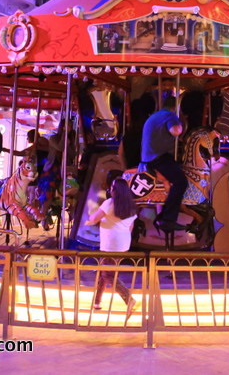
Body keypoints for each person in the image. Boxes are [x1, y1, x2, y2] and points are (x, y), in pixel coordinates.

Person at [85, 177, 138, 318]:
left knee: (108, 274)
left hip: (109, 245)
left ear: (115, 191)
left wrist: (89, 221)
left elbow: (95, 218)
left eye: (112, 187)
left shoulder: (109, 203)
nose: (110, 189)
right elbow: (130, 227)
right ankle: (97, 301)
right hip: (123, 244)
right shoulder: (131, 206)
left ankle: (129, 299)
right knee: (105, 270)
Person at [140, 96, 186, 232]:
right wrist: (180, 122)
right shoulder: (169, 115)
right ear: (176, 107)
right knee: (181, 181)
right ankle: (168, 220)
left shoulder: (157, 115)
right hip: (157, 158)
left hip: (150, 156)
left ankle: (162, 215)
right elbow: (175, 131)